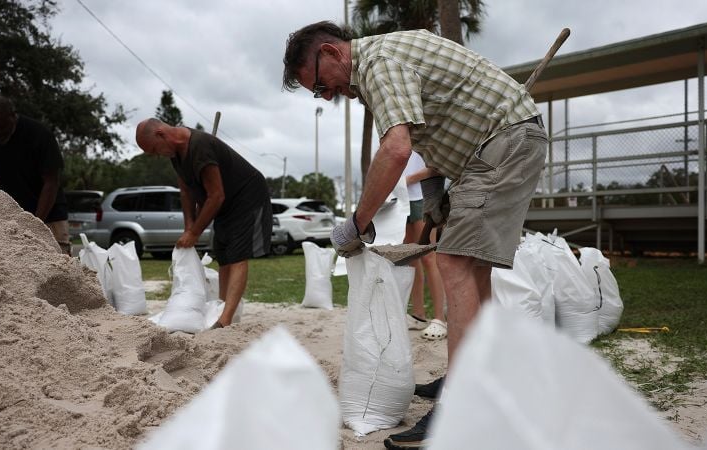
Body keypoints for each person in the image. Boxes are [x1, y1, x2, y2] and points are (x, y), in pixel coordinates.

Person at [283, 22, 547, 449]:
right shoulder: (384, 60)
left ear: (331, 53)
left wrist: (357, 223)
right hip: (496, 146)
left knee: (455, 263)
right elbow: (443, 123)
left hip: (505, 141)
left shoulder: (377, 63)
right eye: (319, 93)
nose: (327, 95)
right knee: (472, 267)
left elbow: (396, 149)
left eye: (319, 85)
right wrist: (441, 189)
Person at [135, 118, 272, 328]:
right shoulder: (176, 155)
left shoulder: (200, 147)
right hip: (226, 201)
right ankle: (221, 309)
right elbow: (186, 191)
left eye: (154, 149)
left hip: (247, 196)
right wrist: (189, 226)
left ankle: (225, 320)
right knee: (224, 253)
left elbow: (216, 196)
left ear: (161, 134)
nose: (156, 155)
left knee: (237, 254)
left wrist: (195, 232)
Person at [0, 95, 70, 255]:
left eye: (2, 127)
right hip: (4, 218)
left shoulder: (40, 135)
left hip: (48, 214)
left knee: (58, 261)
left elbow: (51, 182)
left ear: (13, 115)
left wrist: (34, 223)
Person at [401, 152, 447, 341]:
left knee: (429, 257)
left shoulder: (426, 127)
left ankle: (440, 318)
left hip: (424, 196)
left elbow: (439, 165)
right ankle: (418, 314)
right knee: (410, 257)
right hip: (402, 199)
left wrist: (409, 179)